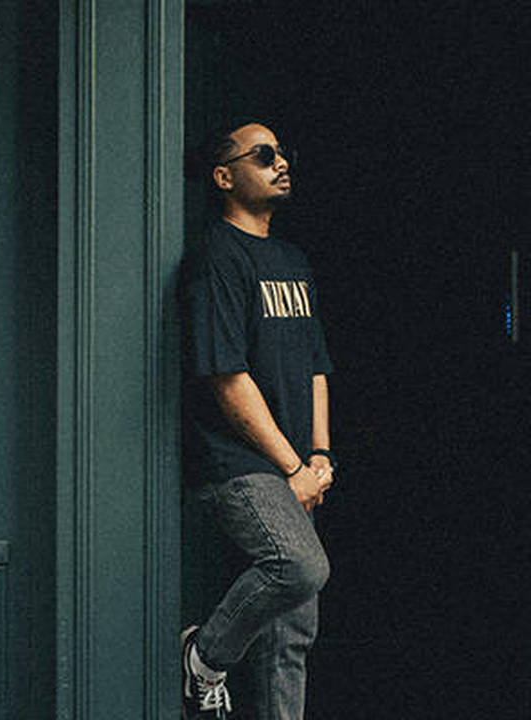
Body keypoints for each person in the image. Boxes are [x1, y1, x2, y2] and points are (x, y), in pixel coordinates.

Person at [179, 119, 336, 720]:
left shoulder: (292, 259)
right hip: (240, 464)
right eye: (264, 155)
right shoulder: (217, 256)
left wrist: (319, 456)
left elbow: (316, 365)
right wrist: (292, 466)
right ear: (224, 177)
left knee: (292, 635)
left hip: (296, 466)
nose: (281, 162)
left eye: (282, 153)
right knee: (299, 566)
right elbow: (227, 378)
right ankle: (204, 656)